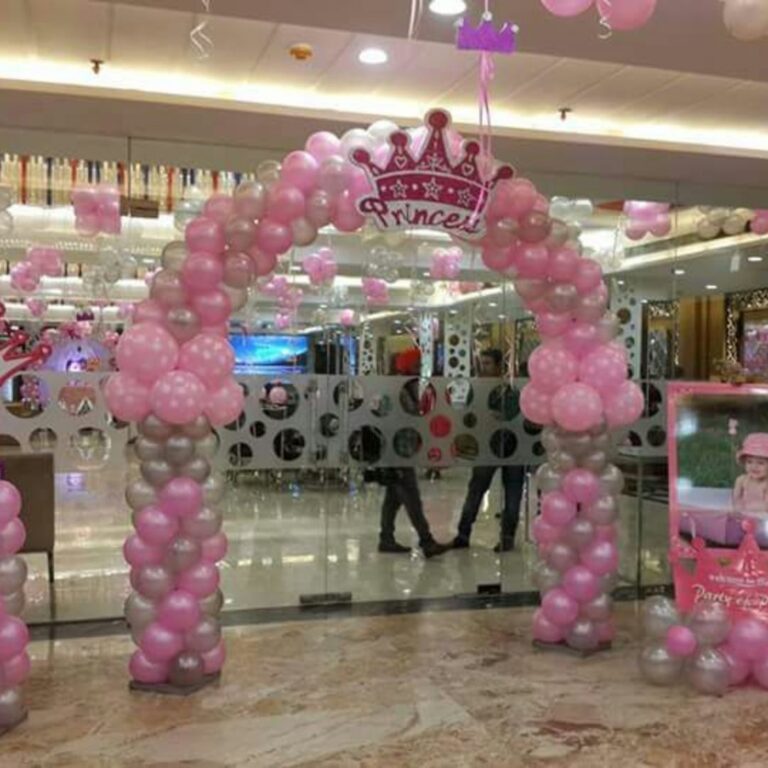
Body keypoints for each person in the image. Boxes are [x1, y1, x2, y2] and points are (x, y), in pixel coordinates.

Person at [367, 347, 449, 558]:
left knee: (393, 499)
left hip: (401, 450)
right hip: (398, 451)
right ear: (405, 367)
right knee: (412, 497)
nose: (420, 369)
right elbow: (395, 420)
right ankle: (426, 541)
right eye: (416, 365)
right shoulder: (399, 390)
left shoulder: (405, 387)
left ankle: (386, 539)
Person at [453, 348, 525, 553]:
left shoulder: (511, 389)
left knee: (513, 495)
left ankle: (508, 537)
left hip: (514, 447)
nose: (483, 368)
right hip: (486, 447)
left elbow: (516, 416)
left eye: (487, 364)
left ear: (497, 366)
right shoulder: (475, 389)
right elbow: (468, 416)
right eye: (481, 363)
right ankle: (463, 534)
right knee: (475, 491)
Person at [733, 433, 768, 516]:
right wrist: (737, 508)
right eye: (749, 462)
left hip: (762, 516)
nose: (754, 466)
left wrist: (746, 508)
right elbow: (736, 498)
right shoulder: (741, 480)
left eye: (760, 463)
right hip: (744, 515)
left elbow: (766, 506)